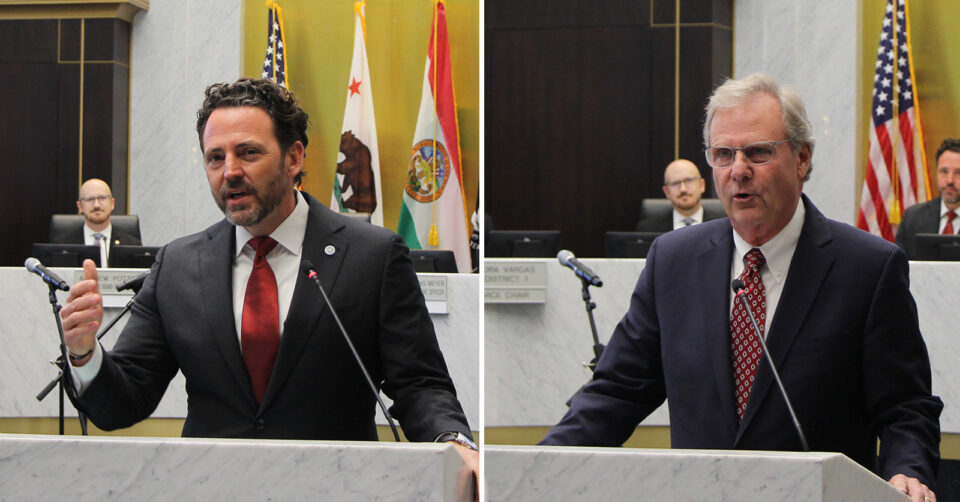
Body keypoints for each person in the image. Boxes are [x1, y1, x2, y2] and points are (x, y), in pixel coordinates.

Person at [541, 73, 942, 502]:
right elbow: (618, 391)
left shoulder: (868, 267)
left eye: (758, 152)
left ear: (802, 158)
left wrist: (907, 471)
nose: (738, 171)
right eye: (723, 154)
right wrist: (539, 467)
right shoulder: (673, 261)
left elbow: (904, 406)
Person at [58, 79, 477, 470]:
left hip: (337, 484)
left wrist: (454, 444)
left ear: (294, 158)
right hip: (212, 484)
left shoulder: (372, 256)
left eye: (248, 153)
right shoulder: (178, 265)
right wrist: (84, 354)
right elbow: (124, 402)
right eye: (215, 158)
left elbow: (420, 384)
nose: (230, 171)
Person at [52, 178, 142, 267]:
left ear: (112, 203)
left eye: (102, 198)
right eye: (90, 199)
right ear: (80, 206)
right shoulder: (62, 246)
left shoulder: (133, 245)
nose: (96, 205)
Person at [896, 138, 960, 258]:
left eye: (958, 173)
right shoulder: (913, 217)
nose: (950, 180)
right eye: (944, 171)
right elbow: (900, 265)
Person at [636, 159, 725, 231]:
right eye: (675, 183)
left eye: (689, 181)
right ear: (666, 192)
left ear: (702, 185)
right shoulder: (649, 228)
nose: (683, 189)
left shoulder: (723, 226)